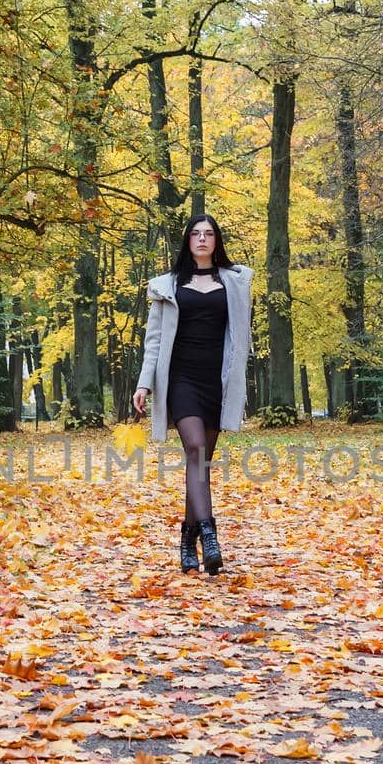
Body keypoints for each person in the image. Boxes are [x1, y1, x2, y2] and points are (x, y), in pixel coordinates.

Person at [132, 214, 254, 574]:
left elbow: (241, 336)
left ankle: (187, 541)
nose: (202, 239)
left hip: (216, 380)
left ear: (217, 241)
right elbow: (153, 341)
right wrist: (145, 383)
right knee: (196, 449)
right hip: (181, 379)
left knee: (198, 465)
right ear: (187, 240)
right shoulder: (168, 285)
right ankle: (209, 535)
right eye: (196, 234)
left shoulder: (234, 282)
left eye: (209, 234)